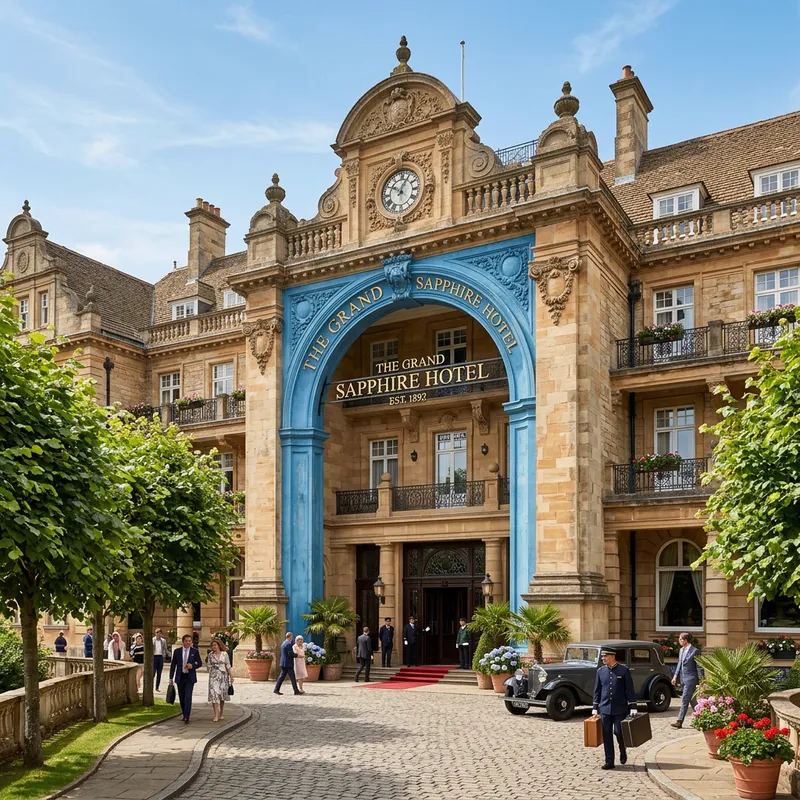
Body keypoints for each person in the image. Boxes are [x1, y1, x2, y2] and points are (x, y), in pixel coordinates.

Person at [592, 647, 638, 770]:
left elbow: (630, 689)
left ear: (612, 657)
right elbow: (597, 691)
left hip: (620, 708)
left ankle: (622, 750)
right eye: (602, 657)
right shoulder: (600, 671)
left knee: (618, 732)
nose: (603, 658)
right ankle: (609, 761)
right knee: (606, 735)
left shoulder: (623, 670)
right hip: (605, 709)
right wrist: (595, 707)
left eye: (605, 656)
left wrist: (633, 706)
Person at [169, 633, 203, 723]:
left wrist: (192, 665)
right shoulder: (177, 651)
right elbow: (173, 665)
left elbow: (199, 663)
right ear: (183, 642)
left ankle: (187, 716)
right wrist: (171, 678)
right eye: (186, 641)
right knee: (182, 697)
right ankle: (184, 713)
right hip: (180, 677)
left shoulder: (194, 651)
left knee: (188, 696)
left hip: (189, 677)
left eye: (189, 641)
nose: (188, 643)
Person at [671, 632, 700, 729]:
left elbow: (699, 667)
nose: (679, 641)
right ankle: (702, 716)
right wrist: (675, 676)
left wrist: (702, 681)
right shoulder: (681, 650)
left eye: (680, 639)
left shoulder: (695, 651)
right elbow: (679, 663)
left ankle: (679, 721)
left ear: (685, 640)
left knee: (684, 699)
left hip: (691, 679)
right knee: (692, 701)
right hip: (683, 679)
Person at [206, 637, 233, 722]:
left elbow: (228, 665)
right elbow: (208, 665)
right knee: (214, 694)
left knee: (221, 695)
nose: (214, 647)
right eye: (212, 645)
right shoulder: (210, 654)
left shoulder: (224, 654)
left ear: (219, 645)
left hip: (223, 676)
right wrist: (209, 667)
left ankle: (221, 713)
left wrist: (231, 676)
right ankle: (216, 715)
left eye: (215, 645)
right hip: (213, 676)